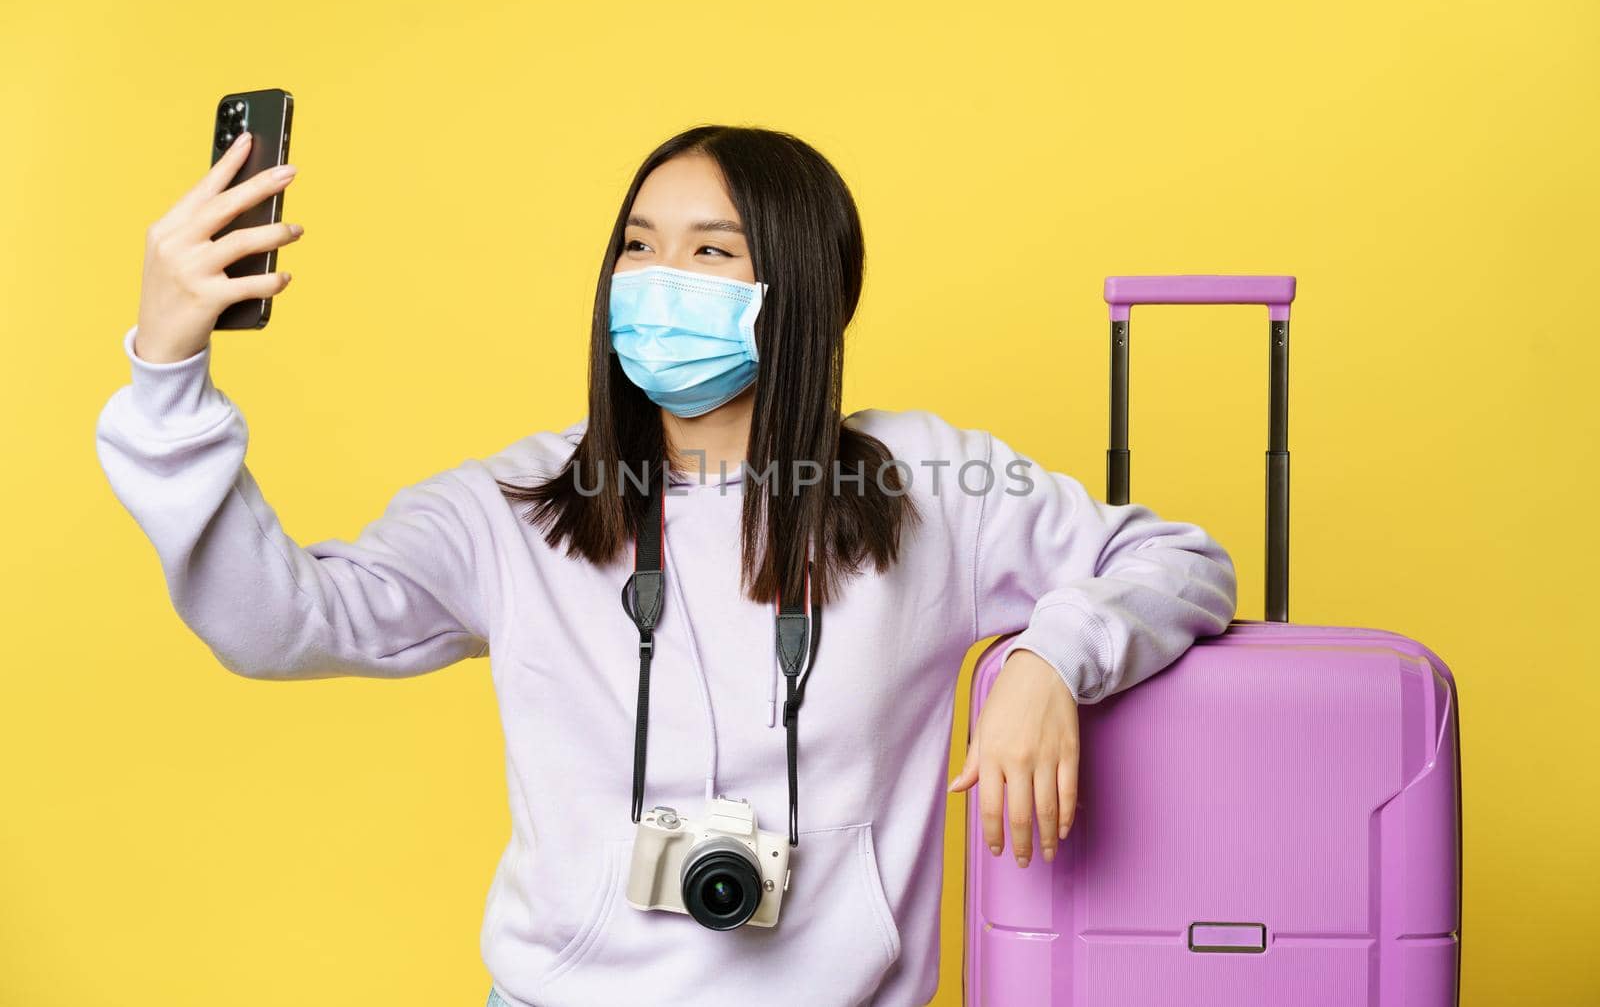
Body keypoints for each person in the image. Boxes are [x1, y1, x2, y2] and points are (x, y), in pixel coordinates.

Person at [94, 123, 1238, 1007]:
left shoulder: (928, 481)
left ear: (792, 287)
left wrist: (1051, 656)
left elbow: (1180, 561)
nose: (654, 277)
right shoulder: (517, 504)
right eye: (636, 246)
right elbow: (279, 621)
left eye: (707, 249)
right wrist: (167, 373)